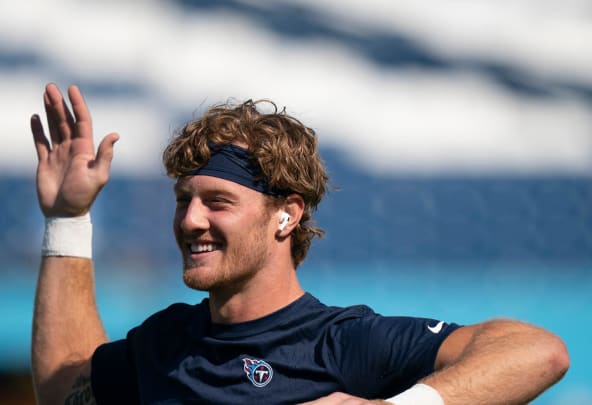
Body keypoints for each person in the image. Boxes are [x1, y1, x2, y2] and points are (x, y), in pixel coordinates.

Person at [30, 83, 569, 405]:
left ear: (286, 215)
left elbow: (537, 351)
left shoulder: (343, 344)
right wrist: (68, 218)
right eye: (183, 199)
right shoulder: (163, 344)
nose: (190, 220)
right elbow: (67, 389)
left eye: (217, 201)